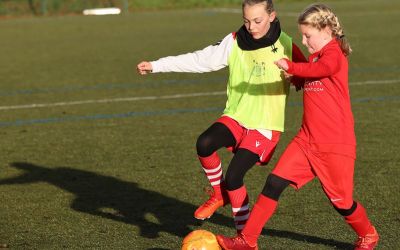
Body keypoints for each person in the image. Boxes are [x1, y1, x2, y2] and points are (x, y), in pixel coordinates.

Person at [216, 3, 379, 250]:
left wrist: (291, 66)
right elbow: (315, 74)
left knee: (342, 203)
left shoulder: (333, 53)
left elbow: (325, 69)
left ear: (325, 30)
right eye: (302, 35)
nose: (303, 41)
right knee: (273, 182)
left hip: (334, 144)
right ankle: (246, 240)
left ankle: (368, 234)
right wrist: (299, 78)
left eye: (307, 35)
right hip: (306, 140)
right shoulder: (315, 55)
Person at [137, 0, 306, 232]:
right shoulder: (235, 41)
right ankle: (218, 195)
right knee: (204, 143)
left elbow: (311, 77)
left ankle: (244, 237)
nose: (251, 27)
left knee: (234, 176)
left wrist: (296, 77)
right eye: (246, 21)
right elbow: (200, 60)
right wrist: (157, 66)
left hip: (264, 126)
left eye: (257, 21)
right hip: (236, 117)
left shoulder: (287, 45)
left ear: (272, 16)